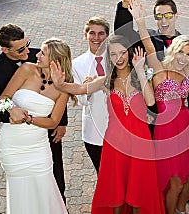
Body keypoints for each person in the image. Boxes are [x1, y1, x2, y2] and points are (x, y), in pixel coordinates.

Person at [51, 35, 165, 214]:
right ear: (108, 57)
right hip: (115, 143)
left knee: (139, 193)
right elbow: (80, 89)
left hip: (140, 142)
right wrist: (59, 84)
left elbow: (150, 102)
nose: (118, 58)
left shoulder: (140, 77)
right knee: (115, 194)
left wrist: (140, 70)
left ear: (129, 53)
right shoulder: (106, 80)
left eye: (122, 52)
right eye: (113, 54)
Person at [128, 0, 189, 214]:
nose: (185, 58)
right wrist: (139, 22)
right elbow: (148, 44)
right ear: (172, 50)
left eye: (188, 54)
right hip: (166, 129)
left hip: (186, 127)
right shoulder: (159, 69)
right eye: (181, 52)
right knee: (175, 181)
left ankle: (178, 207)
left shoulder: (187, 70)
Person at [0, 24, 68, 205]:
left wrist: (62, 122)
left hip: (44, 137)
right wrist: (11, 113)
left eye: (27, 44)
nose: (28, 51)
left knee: (55, 181)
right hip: (15, 142)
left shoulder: (39, 56)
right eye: (21, 49)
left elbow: (61, 89)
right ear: (5, 49)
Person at [0, 37, 77, 213]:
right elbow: (3, 98)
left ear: (55, 60)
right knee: (20, 194)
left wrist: (29, 119)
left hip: (38, 148)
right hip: (12, 146)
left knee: (44, 190)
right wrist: (11, 109)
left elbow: (53, 121)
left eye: (42, 53)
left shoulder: (63, 87)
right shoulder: (26, 69)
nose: (37, 55)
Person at [114, 0, 189, 134]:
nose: (163, 21)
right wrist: (124, 5)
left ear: (176, 15)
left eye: (168, 15)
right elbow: (122, 34)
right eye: (158, 16)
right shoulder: (145, 39)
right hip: (149, 117)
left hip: (180, 123)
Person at [71, 16, 110, 172]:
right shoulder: (77, 64)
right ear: (85, 35)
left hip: (119, 127)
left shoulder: (117, 58)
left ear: (107, 36)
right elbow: (79, 101)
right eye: (92, 33)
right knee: (102, 174)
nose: (96, 38)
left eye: (101, 33)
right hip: (94, 130)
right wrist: (86, 89)